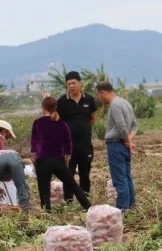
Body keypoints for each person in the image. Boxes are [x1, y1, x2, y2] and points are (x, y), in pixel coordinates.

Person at [31, 96, 92, 211]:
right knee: (74, 186)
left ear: (43, 107)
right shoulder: (63, 124)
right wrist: (66, 162)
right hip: (58, 160)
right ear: (55, 107)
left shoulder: (37, 123)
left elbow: (34, 147)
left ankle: (47, 216)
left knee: (44, 192)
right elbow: (69, 146)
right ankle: (89, 208)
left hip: (42, 160)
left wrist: (36, 164)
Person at [56, 71, 97, 202]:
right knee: (68, 173)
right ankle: (68, 201)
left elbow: (93, 118)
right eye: (69, 84)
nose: (72, 86)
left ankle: (85, 200)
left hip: (85, 144)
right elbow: (58, 121)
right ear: (66, 85)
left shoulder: (89, 99)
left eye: (74, 83)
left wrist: (84, 129)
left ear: (80, 83)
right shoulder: (62, 101)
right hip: (68, 146)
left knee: (85, 173)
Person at [95, 82, 136, 211]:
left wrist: (127, 141)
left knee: (119, 178)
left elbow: (121, 126)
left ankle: (122, 209)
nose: (99, 99)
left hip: (116, 144)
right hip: (123, 144)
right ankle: (131, 206)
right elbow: (134, 125)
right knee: (127, 176)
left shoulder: (115, 105)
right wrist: (129, 140)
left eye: (99, 96)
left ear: (103, 93)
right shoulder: (125, 103)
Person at [0, 148, 31, 213]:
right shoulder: (11, 155)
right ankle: (26, 210)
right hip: (14, 157)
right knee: (21, 186)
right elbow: (23, 182)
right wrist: (27, 197)